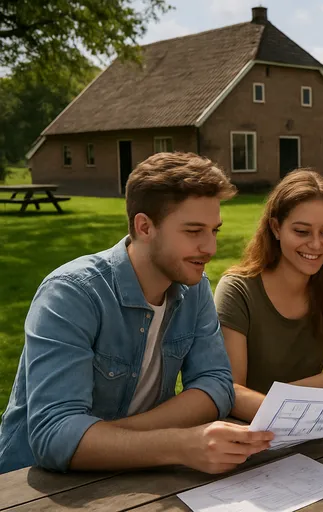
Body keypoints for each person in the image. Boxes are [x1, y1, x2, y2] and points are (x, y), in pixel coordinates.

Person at [0, 152, 274, 476]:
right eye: (193, 231)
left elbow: (216, 385)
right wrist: (179, 444)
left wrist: (115, 438)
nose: (210, 248)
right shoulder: (72, 294)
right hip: (36, 488)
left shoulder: (194, 286)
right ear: (145, 227)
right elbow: (55, 436)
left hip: (135, 472)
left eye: (214, 230)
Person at [214, 169, 323, 422]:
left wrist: (287, 400)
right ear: (276, 228)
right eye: (301, 231)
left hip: (308, 427)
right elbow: (231, 390)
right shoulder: (238, 290)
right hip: (246, 434)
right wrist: (293, 405)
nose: (316, 245)